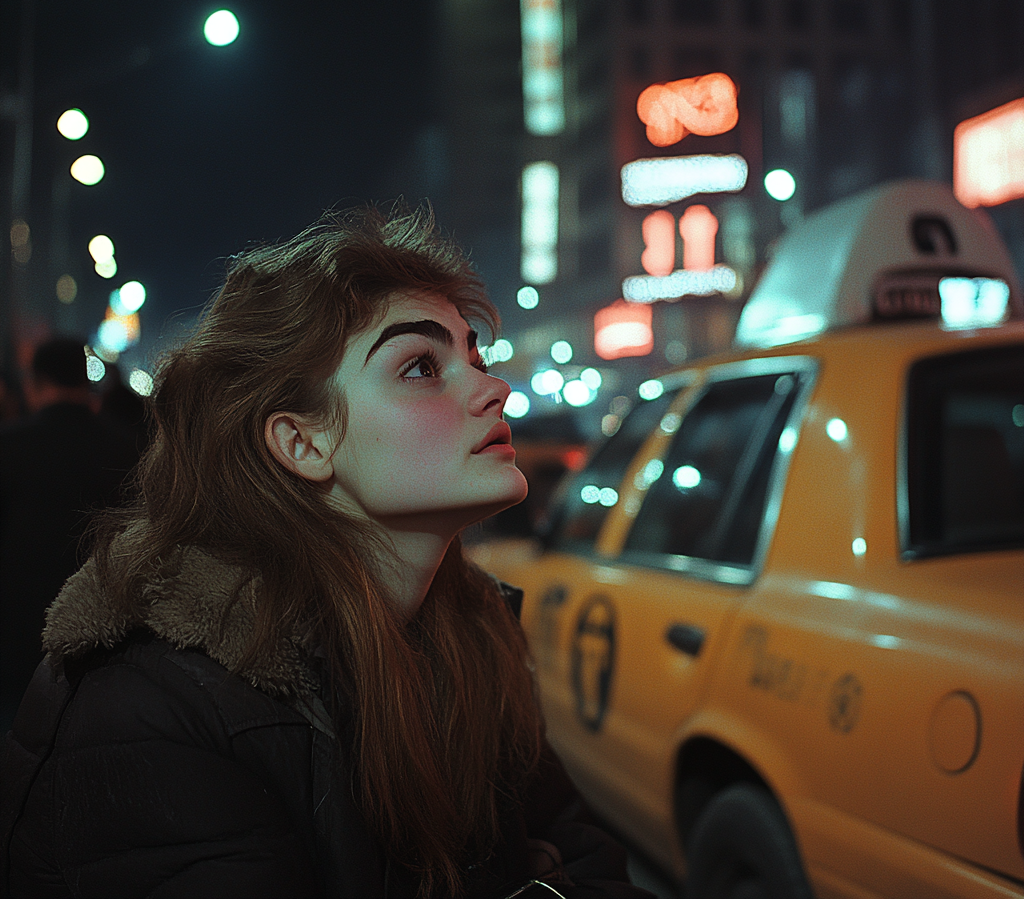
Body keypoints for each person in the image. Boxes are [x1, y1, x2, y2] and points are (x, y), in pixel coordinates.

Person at [1, 207, 652, 899]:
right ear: (302, 444)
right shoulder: (153, 707)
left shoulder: (474, 632)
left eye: (475, 356)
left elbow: (589, 862)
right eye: (421, 367)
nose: (493, 389)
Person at [0, 337, 137, 731]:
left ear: (35, 381)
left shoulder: (9, 446)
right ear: (84, 378)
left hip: (18, 635)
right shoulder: (126, 448)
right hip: (105, 636)